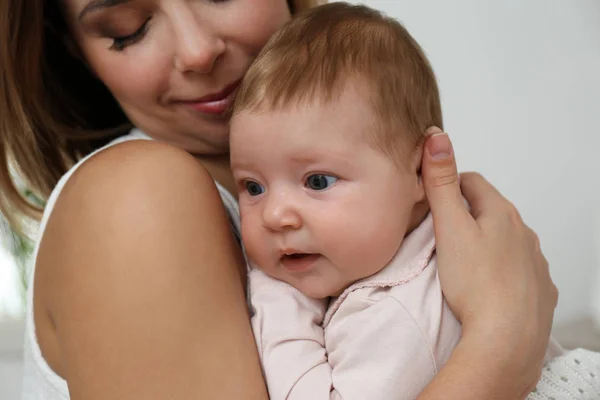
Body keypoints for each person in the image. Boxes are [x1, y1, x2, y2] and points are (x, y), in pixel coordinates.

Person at [0, 0, 557, 399]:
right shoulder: (134, 201)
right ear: (76, 53)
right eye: (128, 28)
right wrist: (499, 348)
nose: (197, 52)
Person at [231, 4, 600, 399]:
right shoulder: (437, 257)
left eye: (317, 181)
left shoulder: (395, 314)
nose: (274, 215)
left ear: (419, 174)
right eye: (254, 187)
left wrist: (278, 300)